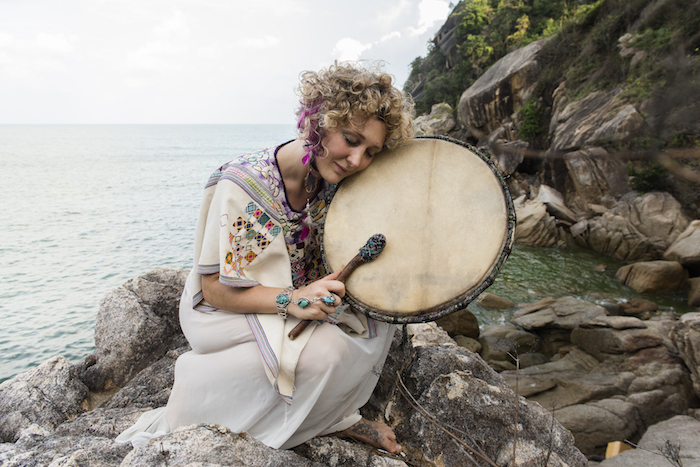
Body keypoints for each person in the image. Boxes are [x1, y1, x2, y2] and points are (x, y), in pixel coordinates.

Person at [116, 62, 414, 454]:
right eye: (350, 138)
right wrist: (294, 300)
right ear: (319, 120)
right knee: (327, 350)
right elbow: (216, 288)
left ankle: (329, 413)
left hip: (293, 295)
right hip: (223, 309)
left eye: (370, 151)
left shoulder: (332, 182)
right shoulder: (250, 186)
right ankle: (202, 395)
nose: (357, 159)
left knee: (382, 316)